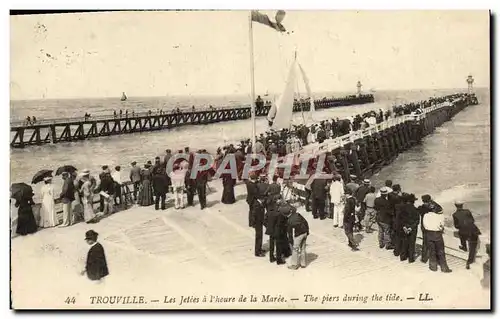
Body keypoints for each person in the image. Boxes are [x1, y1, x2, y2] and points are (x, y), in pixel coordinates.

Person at [422, 205, 452, 273]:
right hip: (437, 234)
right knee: (441, 251)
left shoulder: (425, 215)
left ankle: (433, 267)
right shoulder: (439, 216)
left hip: (428, 234)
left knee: (432, 251)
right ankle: (444, 268)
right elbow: (441, 226)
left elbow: (424, 225)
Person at [452, 200, 481, 269]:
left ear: (455, 206)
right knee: (473, 248)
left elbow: (456, 226)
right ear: (462, 205)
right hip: (473, 231)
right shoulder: (467, 211)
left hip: (463, 233)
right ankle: (469, 263)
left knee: (461, 233)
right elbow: (472, 220)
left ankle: (464, 246)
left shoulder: (454, 214)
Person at [282, 204, 309, 269]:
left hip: (298, 235)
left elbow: (290, 233)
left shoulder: (289, 221)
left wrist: (291, 241)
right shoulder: (298, 214)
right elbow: (305, 222)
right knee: (303, 248)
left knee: (295, 249)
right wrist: (307, 231)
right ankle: (303, 264)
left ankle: (294, 265)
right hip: (304, 232)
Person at [418, 194, 443, 263]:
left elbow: (419, 211)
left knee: (425, 243)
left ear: (423, 200)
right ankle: (437, 259)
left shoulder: (422, 207)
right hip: (434, 227)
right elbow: (440, 210)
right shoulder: (434, 206)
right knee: (436, 244)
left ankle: (424, 258)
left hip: (425, 227)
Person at [398, 193, 419, 263]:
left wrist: (404, 227)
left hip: (404, 227)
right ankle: (411, 258)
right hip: (412, 229)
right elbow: (417, 221)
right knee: (412, 243)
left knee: (404, 242)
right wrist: (411, 228)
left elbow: (400, 219)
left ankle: (403, 257)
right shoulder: (415, 210)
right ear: (413, 201)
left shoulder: (402, 208)